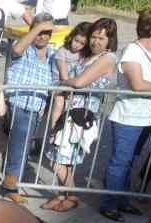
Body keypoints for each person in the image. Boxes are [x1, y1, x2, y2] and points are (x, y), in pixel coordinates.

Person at [99, 9, 151, 222]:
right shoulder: (133, 51)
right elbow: (138, 84)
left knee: (132, 161)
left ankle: (123, 200)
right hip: (129, 117)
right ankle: (109, 203)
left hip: (150, 116)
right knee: (120, 161)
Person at [41, 17, 116, 212]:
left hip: (82, 117)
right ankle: (61, 194)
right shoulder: (85, 56)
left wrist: (61, 83)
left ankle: (73, 195)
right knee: (64, 159)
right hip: (70, 111)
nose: (95, 42)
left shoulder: (107, 58)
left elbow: (79, 83)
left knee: (55, 160)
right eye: (93, 36)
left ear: (110, 40)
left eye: (101, 38)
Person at [0, 13, 55, 204]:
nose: (42, 36)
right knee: (19, 144)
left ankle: (12, 183)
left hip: (37, 106)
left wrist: (47, 104)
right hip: (19, 103)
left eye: (46, 32)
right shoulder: (24, 47)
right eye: (39, 32)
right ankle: (10, 186)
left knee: (25, 145)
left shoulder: (52, 54)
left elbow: (53, 82)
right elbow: (16, 49)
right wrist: (36, 28)